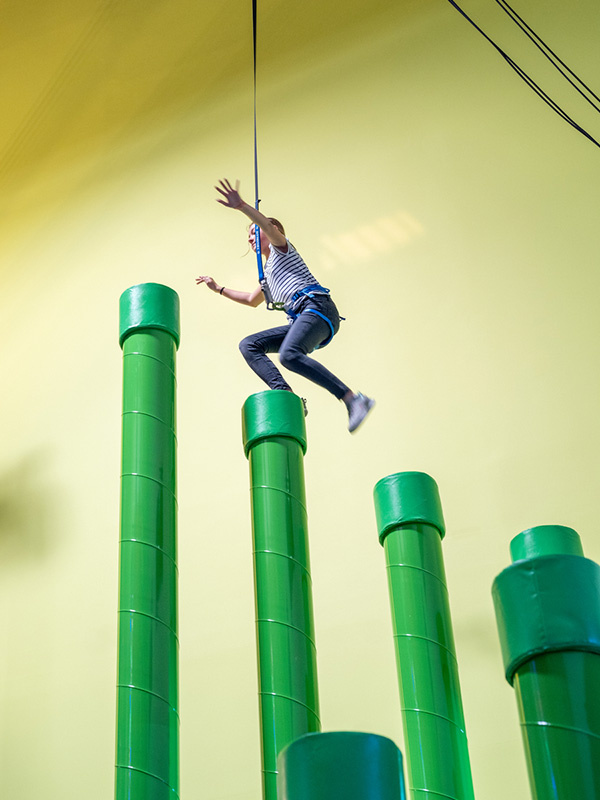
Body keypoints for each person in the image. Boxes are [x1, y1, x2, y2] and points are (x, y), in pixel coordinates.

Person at [196, 178, 374, 433]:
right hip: (302, 317)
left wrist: (242, 206)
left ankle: (352, 399)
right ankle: (286, 396)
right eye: (248, 237)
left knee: (289, 355)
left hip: (316, 307)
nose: (250, 240)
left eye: (253, 233)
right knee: (249, 345)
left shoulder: (283, 249)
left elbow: (267, 224)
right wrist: (219, 289)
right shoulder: (268, 273)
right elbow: (251, 300)